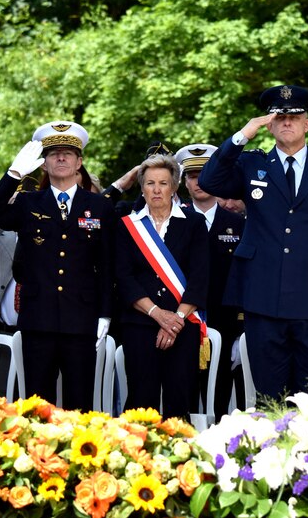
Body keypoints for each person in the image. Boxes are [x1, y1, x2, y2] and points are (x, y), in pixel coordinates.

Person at [199, 85, 308, 399]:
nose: (287, 122)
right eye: (279, 116)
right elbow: (208, 181)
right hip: (263, 295)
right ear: (270, 124)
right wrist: (243, 134)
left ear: (307, 124)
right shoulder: (251, 164)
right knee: (269, 393)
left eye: (294, 116)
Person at [0, 121, 113, 411]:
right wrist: (14, 173)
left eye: (68, 153)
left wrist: (105, 313)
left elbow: (106, 266)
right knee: (37, 405)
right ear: (43, 163)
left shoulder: (100, 206)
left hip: (81, 320)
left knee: (80, 405)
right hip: (37, 319)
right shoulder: (29, 202)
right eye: (54, 153)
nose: (62, 158)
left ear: (80, 162)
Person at [114, 153, 209, 418]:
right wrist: (157, 314)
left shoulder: (194, 223)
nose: (157, 189)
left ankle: (180, 458)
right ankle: (137, 458)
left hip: (183, 324)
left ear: (174, 187)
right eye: (150, 183)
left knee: (179, 400)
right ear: (141, 188)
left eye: (164, 183)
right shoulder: (127, 226)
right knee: (140, 401)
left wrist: (175, 320)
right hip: (140, 324)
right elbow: (124, 277)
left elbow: (200, 277)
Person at [175, 143, 246, 417]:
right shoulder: (173, 221)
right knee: (184, 395)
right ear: (184, 182)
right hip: (183, 320)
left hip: (226, 321)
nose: (199, 181)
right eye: (192, 176)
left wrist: (242, 328)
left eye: (205, 174)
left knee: (222, 400)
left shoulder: (239, 223)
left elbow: (244, 276)